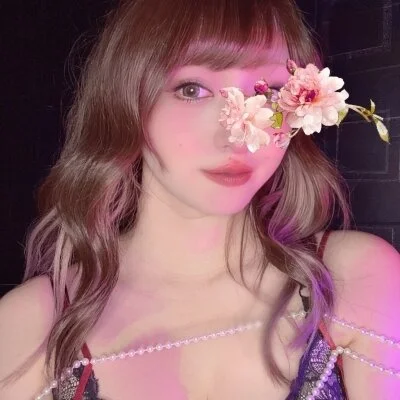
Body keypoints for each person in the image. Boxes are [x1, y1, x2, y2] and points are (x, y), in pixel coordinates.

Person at [1, 0, 399, 399]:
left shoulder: (356, 279)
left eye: (272, 92)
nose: (237, 136)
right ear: (125, 102)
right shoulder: (30, 328)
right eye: (192, 90)